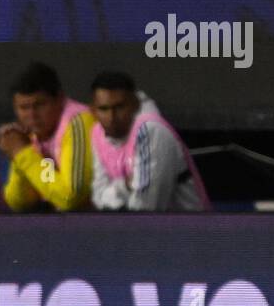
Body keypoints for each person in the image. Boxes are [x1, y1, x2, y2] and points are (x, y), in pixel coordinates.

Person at [88, 71, 209, 212]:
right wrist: (125, 186)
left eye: (119, 107)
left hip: (188, 230)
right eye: (104, 109)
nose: (111, 117)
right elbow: (98, 197)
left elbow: (145, 210)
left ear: (134, 104)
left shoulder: (151, 132)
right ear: (93, 110)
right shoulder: (97, 132)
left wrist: (114, 192)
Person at [0, 62, 94, 212]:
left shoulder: (79, 123)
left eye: (40, 105)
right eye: (24, 108)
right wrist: (21, 154)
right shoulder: (36, 134)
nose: (32, 115)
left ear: (60, 99)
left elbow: (71, 198)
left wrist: (23, 154)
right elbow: (19, 202)